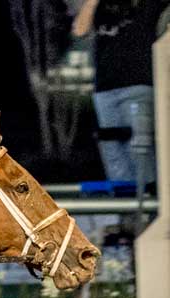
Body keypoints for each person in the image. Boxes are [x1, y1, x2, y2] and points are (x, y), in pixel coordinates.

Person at [73, 0, 169, 190]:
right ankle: (125, 215)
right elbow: (80, 31)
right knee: (113, 154)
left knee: (140, 152)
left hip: (138, 85)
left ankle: (146, 212)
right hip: (105, 89)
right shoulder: (101, 7)